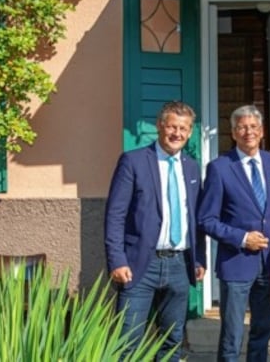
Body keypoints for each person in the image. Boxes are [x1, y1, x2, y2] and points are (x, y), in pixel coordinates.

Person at [104, 101, 206, 361]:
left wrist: (199, 258)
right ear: (160, 126)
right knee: (128, 339)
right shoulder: (133, 161)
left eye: (184, 128)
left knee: (172, 340)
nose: (177, 134)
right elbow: (115, 215)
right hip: (139, 265)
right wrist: (117, 259)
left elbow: (195, 218)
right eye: (172, 126)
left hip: (179, 265)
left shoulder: (192, 167)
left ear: (190, 132)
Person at [197, 104, 270, 362]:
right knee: (232, 334)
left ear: (262, 131)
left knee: (263, 330)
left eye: (254, 127)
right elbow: (206, 219)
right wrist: (243, 238)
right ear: (233, 133)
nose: (249, 132)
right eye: (242, 127)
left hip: (269, 263)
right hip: (236, 263)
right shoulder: (220, 167)